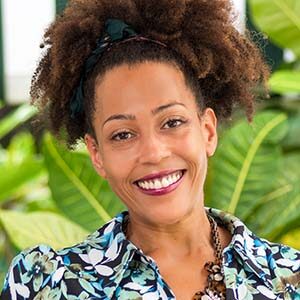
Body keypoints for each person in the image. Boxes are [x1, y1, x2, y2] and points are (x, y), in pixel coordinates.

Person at [1, 0, 300, 299]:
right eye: (122, 135)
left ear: (207, 131)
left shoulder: (288, 277)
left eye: (172, 122)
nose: (154, 153)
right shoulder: (47, 285)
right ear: (97, 154)